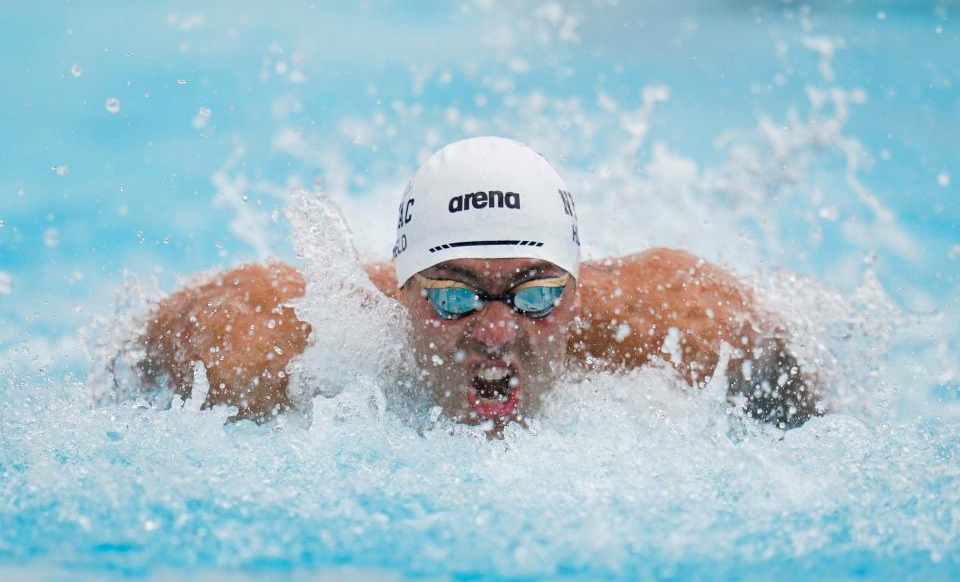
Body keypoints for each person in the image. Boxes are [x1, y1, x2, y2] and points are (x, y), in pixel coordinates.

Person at [137, 137, 820, 431]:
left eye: (536, 294)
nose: (496, 334)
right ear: (402, 293)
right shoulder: (267, 345)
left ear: (577, 293)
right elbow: (150, 346)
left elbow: (805, 402)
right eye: (454, 297)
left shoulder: (681, 328)